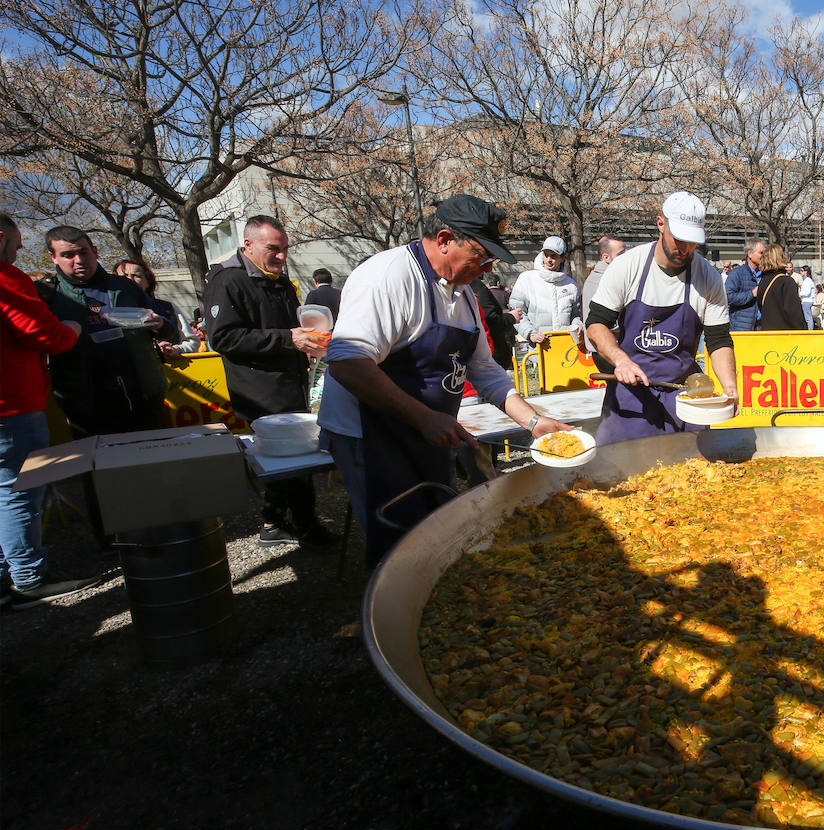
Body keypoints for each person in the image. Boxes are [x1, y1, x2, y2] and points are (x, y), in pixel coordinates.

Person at [316, 195, 572, 564]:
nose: (486, 269)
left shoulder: (463, 292)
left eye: (491, 261)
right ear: (445, 239)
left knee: (435, 527)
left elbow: (485, 370)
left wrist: (532, 421)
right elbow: (347, 361)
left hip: (424, 430)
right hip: (369, 434)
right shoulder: (388, 276)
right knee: (397, 542)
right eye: (481, 257)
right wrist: (424, 417)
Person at [204, 215, 334, 548]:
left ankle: (273, 522)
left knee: (287, 458)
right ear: (248, 245)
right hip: (260, 390)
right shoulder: (228, 280)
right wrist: (288, 340)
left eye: (285, 249)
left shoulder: (277, 279)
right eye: (273, 249)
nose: (281, 257)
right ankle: (306, 527)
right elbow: (224, 338)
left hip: (289, 383)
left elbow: (291, 327)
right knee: (296, 459)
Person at [586, 191, 738, 445]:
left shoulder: (708, 277)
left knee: (693, 472)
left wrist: (730, 386)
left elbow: (719, 340)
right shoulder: (627, 266)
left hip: (684, 395)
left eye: (692, 241)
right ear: (660, 223)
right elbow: (596, 324)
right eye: (678, 238)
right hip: (630, 393)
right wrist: (621, 361)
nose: (685, 248)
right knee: (621, 472)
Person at [0, 214, 96, 609]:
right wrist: (71, 326)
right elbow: (48, 336)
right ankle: (28, 577)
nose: (19, 251)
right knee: (17, 493)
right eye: (17, 244)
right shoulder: (7, 279)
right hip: (12, 406)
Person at [36, 227, 168, 439]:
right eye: (68, 255)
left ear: (95, 251)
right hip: (86, 404)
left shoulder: (124, 286)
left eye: (84, 252)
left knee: (152, 464)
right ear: (53, 257)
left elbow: (169, 327)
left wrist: (160, 324)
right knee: (103, 469)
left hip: (143, 395)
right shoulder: (46, 295)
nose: (79, 260)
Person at [511, 236, 582, 352]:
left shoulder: (571, 285)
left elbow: (575, 315)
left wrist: (577, 325)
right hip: (539, 350)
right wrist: (530, 333)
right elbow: (517, 312)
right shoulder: (526, 279)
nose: (549, 259)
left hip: (566, 349)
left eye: (554, 256)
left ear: (563, 258)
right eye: (546, 255)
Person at [113, 260, 195, 355]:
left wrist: (176, 349)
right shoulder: (108, 312)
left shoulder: (167, 308)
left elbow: (192, 342)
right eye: (124, 276)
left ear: (148, 281)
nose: (130, 280)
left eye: (136, 276)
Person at [581, 235, 626, 372]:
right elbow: (602, 320)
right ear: (606, 257)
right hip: (607, 348)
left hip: (607, 347)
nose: (625, 258)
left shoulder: (602, 276)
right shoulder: (602, 280)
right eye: (620, 254)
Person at [755, 245, 807, 331]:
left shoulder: (762, 282)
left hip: (767, 333)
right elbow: (794, 312)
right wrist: (803, 330)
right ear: (781, 258)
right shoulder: (786, 282)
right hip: (785, 334)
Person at [725, 238, 765, 332]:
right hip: (741, 328)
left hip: (762, 328)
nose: (764, 256)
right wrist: (751, 294)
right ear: (750, 253)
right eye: (761, 253)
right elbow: (728, 297)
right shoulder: (737, 273)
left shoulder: (766, 274)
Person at [792, 264, 817, 330]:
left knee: (808, 318)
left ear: (806, 272)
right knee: (807, 318)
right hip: (806, 301)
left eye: (802, 270)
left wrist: (799, 294)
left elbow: (807, 292)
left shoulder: (807, 281)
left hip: (807, 301)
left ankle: (810, 331)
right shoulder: (806, 280)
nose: (800, 272)